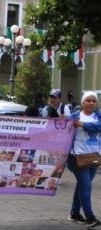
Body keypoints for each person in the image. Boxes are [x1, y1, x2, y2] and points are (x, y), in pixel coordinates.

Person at [66, 91, 101, 227]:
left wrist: (82, 125)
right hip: (77, 157)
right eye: (88, 100)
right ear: (82, 103)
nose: (91, 103)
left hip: (94, 157)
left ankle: (74, 213)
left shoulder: (98, 116)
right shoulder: (74, 116)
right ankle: (90, 217)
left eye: (94, 101)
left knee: (82, 185)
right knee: (86, 186)